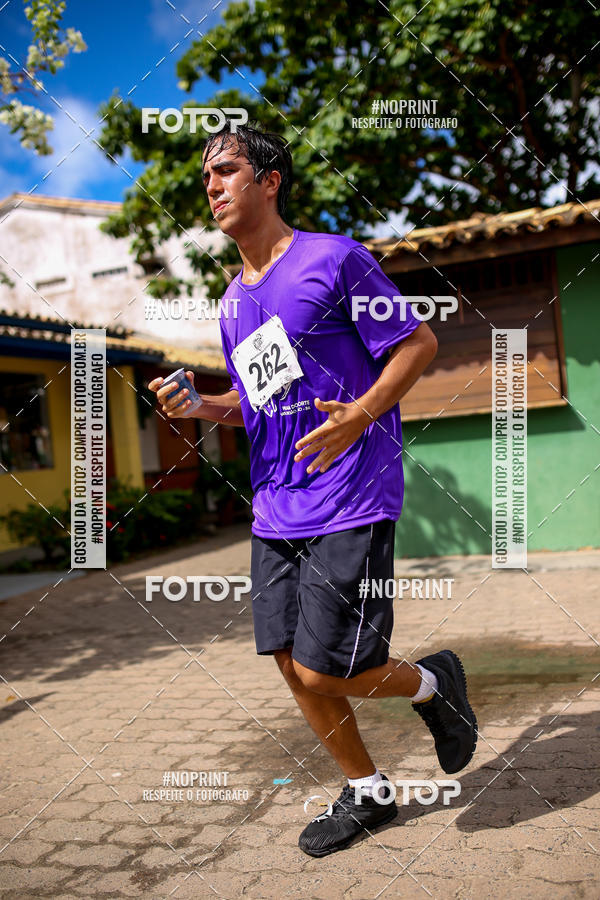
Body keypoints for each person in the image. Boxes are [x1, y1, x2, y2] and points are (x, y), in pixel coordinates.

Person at [149, 121, 477, 857]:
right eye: (207, 177)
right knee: (290, 660)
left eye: (227, 170)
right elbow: (256, 396)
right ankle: (368, 791)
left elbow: (418, 343)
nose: (213, 186)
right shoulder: (233, 301)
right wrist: (204, 407)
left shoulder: (336, 260)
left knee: (332, 666)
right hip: (275, 507)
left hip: (351, 492)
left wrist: (358, 416)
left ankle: (433, 684)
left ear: (269, 180)